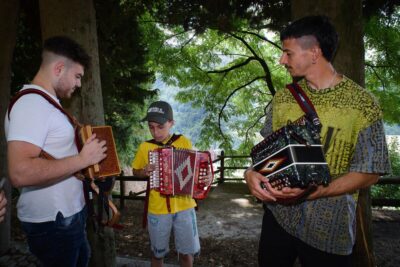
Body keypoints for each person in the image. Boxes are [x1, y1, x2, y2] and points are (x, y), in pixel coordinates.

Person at [244, 15, 391, 267]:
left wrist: (315, 192)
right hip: (278, 218)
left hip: (330, 228)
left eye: (288, 54)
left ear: (314, 53)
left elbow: (371, 171)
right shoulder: (283, 99)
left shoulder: (363, 104)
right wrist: (250, 173)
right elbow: (265, 156)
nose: (281, 60)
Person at [5, 36, 107, 267]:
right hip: (54, 223)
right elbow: (20, 172)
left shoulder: (46, 104)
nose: (79, 84)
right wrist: (83, 160)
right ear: (59, 68)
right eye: (78, 76)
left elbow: (57, 158)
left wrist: (85, 170)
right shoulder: (31, 105)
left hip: (67, 218)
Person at [131, 101, 200, 267]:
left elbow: (195, 169)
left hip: (184, 206)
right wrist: (144, 171)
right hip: (157, 209)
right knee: (157, 255)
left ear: (171, 123)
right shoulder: (145, 147)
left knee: (186, 254)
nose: (155, 132)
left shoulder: (183, 141)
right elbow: (135, 171)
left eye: (160, 126)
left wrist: (201, 176)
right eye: (151, 127)